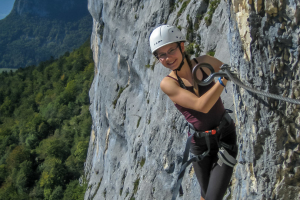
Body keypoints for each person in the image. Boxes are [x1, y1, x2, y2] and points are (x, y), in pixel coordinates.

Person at [149, 25, 237, 200]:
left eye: (171, 50)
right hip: (200, 145)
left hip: (224, 136)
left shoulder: (205, 63)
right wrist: (224, 78)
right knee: (205, 195)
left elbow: (233, 70)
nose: (167, 58)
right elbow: (201, 105)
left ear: (182, 46)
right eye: (161, 54)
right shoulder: (168, 84)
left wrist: (228, 73)